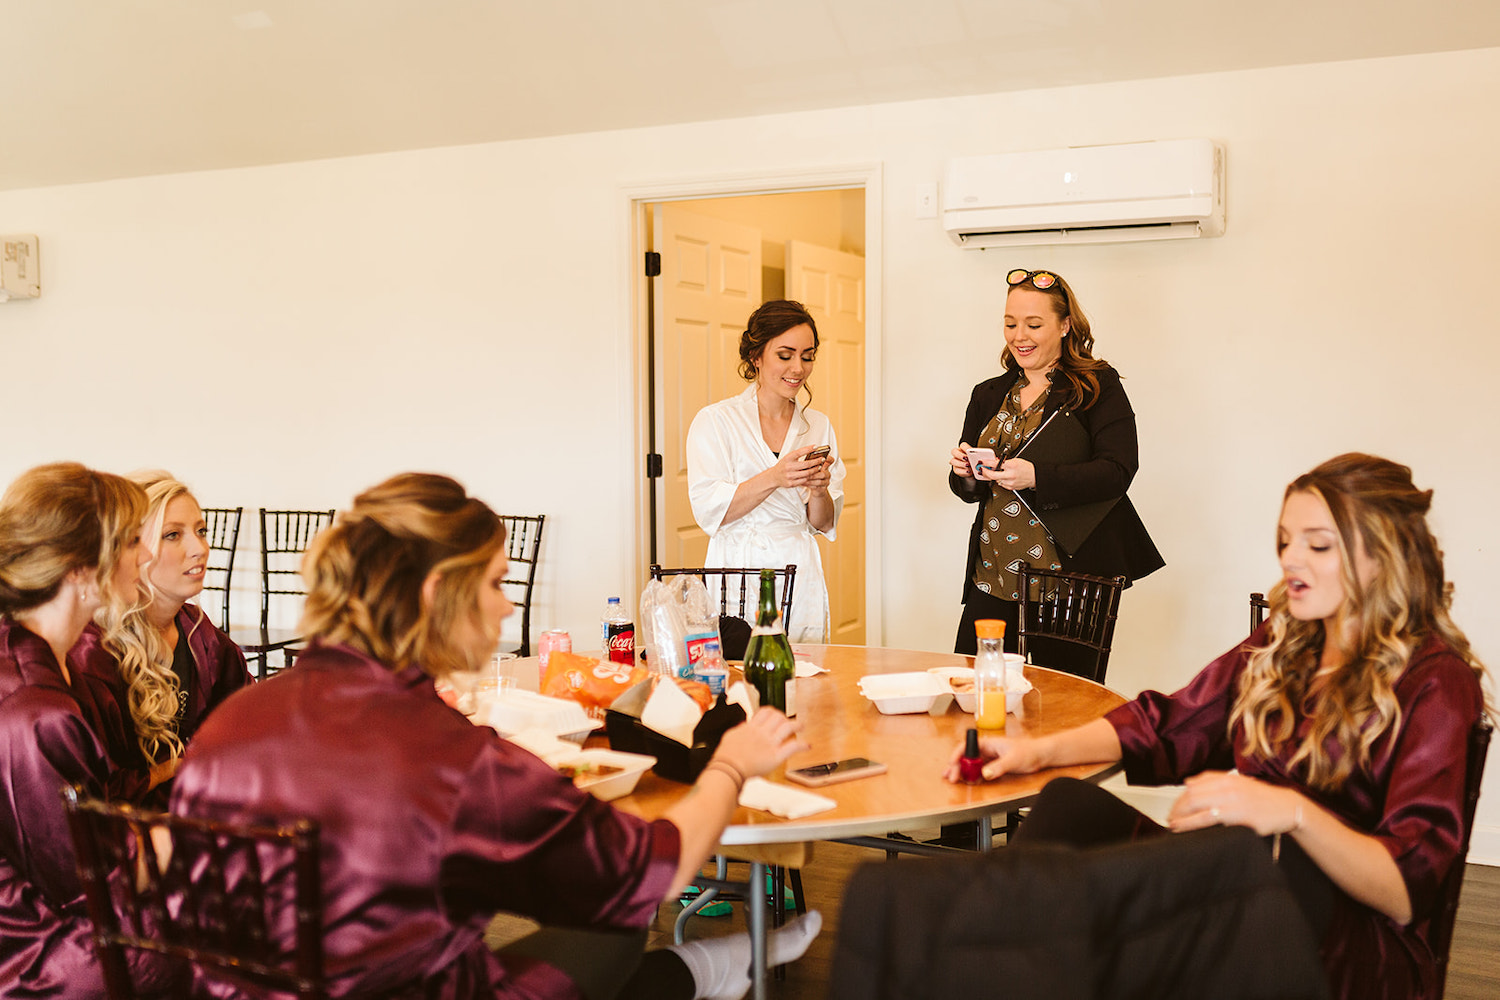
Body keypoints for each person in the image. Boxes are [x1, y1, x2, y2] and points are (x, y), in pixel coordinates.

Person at [171, 472, 821, 1000]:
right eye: (495, 583)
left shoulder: (230, 721)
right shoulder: (452, 758)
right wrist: (732, 764)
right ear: (436, 593)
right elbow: (654, 866)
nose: (508, 604)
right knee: (615, 918)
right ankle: (712, 970)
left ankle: (708, 970)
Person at [945, 453, 1491, 1000]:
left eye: (1317, 545)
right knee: (1068, 808)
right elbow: (1172, 723)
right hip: (1247, 886)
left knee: (1243, 868)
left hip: (1347, 937)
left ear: (1385, 556)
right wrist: (1038, 754)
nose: (1290, 559)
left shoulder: (1437, 682)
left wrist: (1293, 814)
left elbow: (1404, 892)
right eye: (1285, 540)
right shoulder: (1288, 639)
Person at [0, 462, 175, 998]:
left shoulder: (55, 661)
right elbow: (92, 881)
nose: (146, 555)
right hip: (34, 949)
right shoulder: (37, 710)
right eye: (129, 542)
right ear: (79, 570)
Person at [948, 268, 1162, 658]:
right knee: (978, 687)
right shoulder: (988, 393)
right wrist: (965, 473)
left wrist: (1036, 476)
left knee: (1061, 703)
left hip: (1066, 582)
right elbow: (969, 492)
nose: (1018, 336)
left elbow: (1118, 471)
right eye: (1010, 323)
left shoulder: (1096, 385)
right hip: (992, 576)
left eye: (1033, 324)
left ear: (1064, 325)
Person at [70, 472, 253, 806]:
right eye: (172, 535)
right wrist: (162, 772)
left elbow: (251, 718)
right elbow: (88, 790)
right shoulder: (91, 651)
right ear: (131, 548)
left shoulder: (200, 633)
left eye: (201, 531)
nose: (199, 549)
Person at [687, 299, 845, 642]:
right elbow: (709, 511)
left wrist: (819, 490)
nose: (798, 368)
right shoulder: (716, 421)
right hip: (736, 571)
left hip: (797, 572)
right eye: (785, 355)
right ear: (756, 357)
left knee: (803, 680)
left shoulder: (817, 425)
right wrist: (776, 476)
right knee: (736, 679)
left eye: (808, 355)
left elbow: (823, 523)